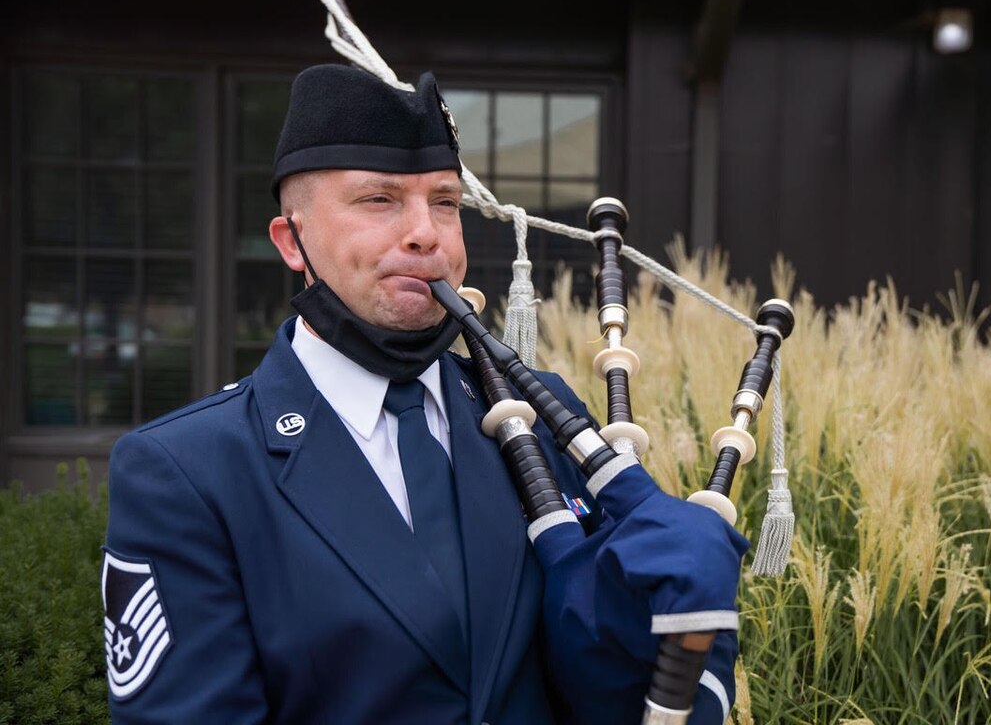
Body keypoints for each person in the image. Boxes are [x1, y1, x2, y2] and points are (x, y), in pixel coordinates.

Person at [102, 64, 736, 724]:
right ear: (292, 241)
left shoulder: (540, 415)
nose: (426, 234)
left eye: (444, 202)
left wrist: (660, 635)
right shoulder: (188, 471)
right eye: (378, 200)